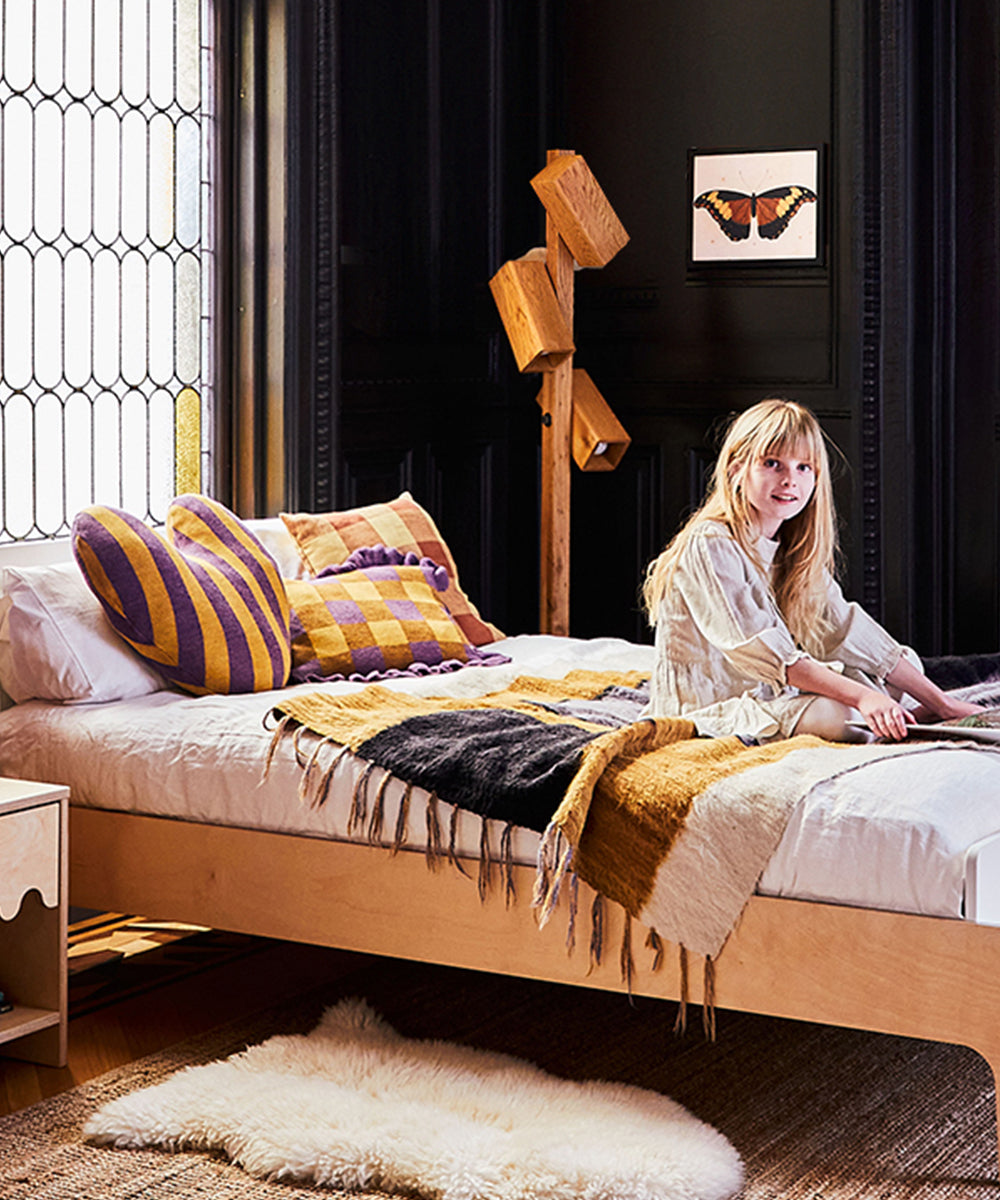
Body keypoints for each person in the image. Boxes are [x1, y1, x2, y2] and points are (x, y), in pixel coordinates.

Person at [641, 398, 981, 742]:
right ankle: (894, 716)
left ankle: (906, 713)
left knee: (902, 663)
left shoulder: (789, 547)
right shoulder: (710, 543)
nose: (790, 480)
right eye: (773, 464)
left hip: (772, 694)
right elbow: (772, 656)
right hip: (710, 705)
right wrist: (863, 696)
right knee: (843, 715)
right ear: (735, 469)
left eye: (804, 467)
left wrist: (942, 702)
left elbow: (844, 628)